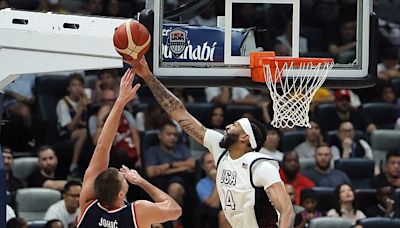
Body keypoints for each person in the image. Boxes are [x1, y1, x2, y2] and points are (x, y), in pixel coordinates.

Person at [128, 57, 295, 227]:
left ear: (245, 137)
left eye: (235, 125)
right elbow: (179, 113)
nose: (228, 125)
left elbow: (287, 210)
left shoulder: (260, 167)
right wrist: (147, 76)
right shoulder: (220, 149)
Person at [77, 69, 181, 228]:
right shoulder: (137, 211)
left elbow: (102, 146)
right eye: (123, 178)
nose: (123, 175)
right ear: (121, 194)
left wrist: (119, 102)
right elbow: (175, 210)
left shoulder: (87, 205)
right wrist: (141, 182)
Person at [56, 73, 88, 176]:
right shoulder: (63, 103)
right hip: (64, 134)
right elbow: (69, 127)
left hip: (80, 132)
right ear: (69, 88)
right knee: (83, 132)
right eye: (74, 85)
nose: (77, 88)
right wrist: (80, 109)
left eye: (80, 85)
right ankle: (73, 165)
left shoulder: (83, 101)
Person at [194, 151, 231, 228]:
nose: (214, 165)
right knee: (224, 215)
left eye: (215, 161)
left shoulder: (230, 176)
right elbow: (214, 205)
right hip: (215, 215)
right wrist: (217, 180)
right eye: (209, 162)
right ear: (203, 166)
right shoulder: (201, 184)